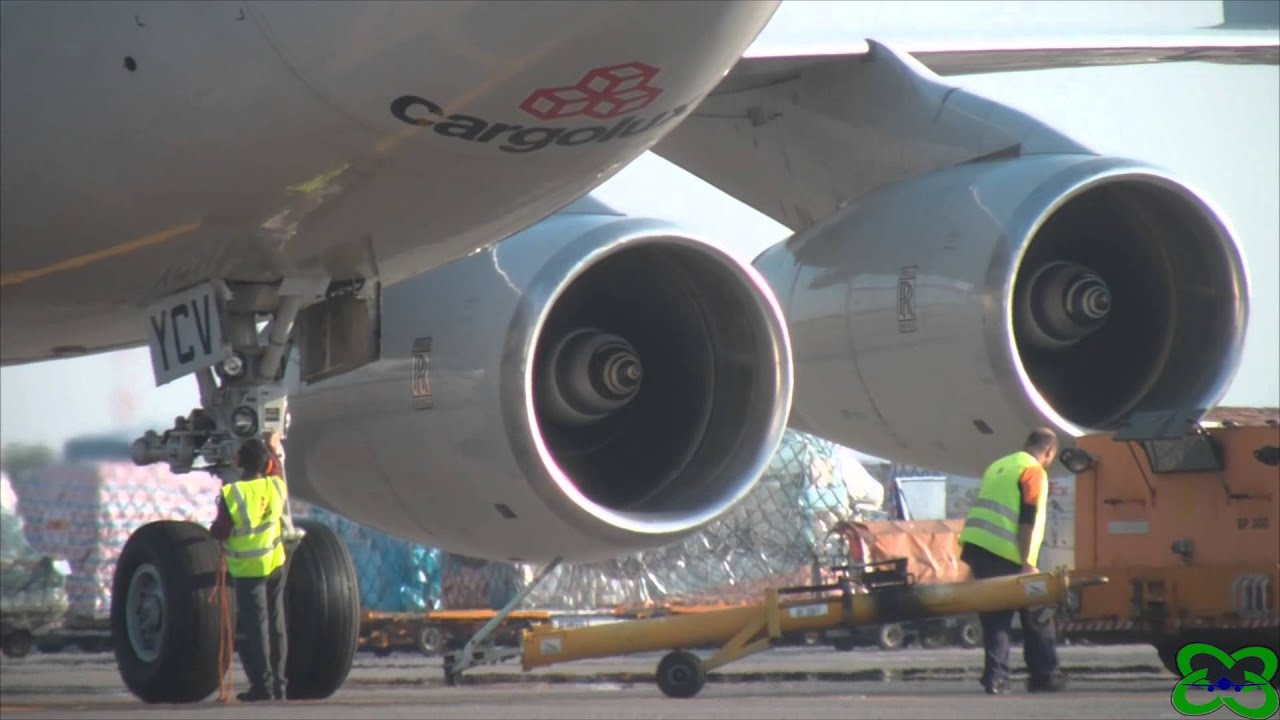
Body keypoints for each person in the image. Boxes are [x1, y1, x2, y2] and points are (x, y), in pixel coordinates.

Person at [959, 428, 1067, 695]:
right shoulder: (1033, 471)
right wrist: (1028, 562)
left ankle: (996, 678)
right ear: (1050, 452)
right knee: (1038, 612)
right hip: (1006, 552)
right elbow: (1027, 519)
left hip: (977, 547)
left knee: (995, 616)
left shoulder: (1000, 465)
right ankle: (1044, 676)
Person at [210, 438, 289, 702]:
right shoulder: (276, 486)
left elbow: (220, 531)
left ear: (238, 462)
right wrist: (273, 447)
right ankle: (279, 685)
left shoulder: (233, 495)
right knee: (276, 623)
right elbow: (276, 467)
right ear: (265, 465)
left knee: (257, 628)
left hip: (248, 570)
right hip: (275, 564)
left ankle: (262, 687)